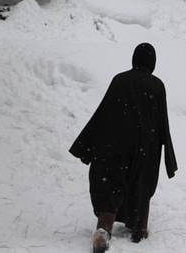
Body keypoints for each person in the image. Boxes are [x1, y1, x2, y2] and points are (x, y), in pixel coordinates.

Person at [70, 43, 177, 253]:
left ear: (134, 59)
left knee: (111, 185)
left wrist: (87, 145)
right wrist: (168, 159)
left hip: (114, 143)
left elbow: (103, 113)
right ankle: (139, 228)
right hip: (145, 146)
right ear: (152, 63)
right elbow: (162, 122)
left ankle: (104, 228)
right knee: (141, 184)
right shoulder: (157, 86)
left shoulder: (120, 80)